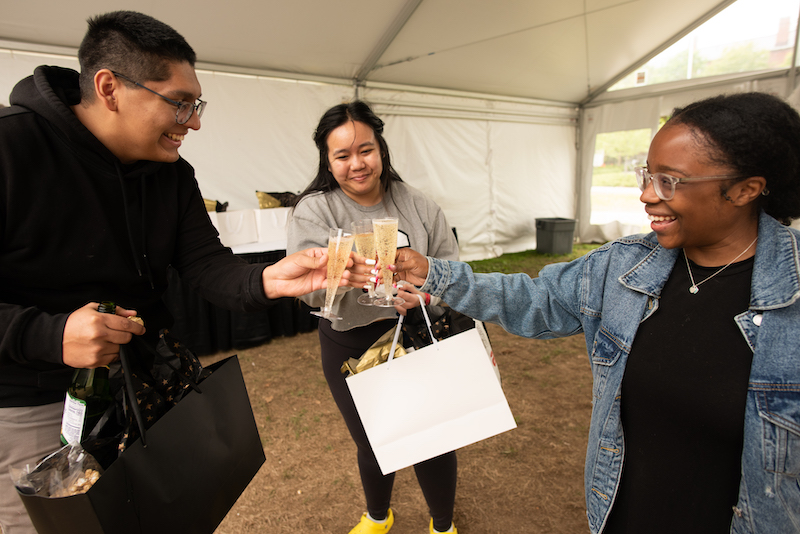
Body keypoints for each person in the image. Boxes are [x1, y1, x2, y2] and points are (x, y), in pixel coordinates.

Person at [0, 11, 349, 534]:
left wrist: (268, 279)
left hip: (143, 389)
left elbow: (204, 265)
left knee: (157, 515)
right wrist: (52, 335)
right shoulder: (11, 150)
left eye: (196, 104)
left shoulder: (173, 174)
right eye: (180, 103)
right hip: (34, 403)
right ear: (109, 87)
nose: (195, 121)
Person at [388, 92, 800, 533]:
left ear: (745, 189)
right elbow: (537, 299)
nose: (646, 195)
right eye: (647, 175)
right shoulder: (623, 265)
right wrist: (431, 271)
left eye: (669, 181)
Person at [287, 100, 461, 534]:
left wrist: (424, 295)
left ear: (381, 149)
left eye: (365, 150)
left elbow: (452, 270)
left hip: (419, 334)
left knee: (432, 438)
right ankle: (378, 517)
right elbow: (308, 295)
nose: (356, 164)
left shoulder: (419, 205)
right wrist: (342, 277)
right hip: (350, 341)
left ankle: (443, 525)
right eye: (342, 155)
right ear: (328, 162)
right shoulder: (314, 211)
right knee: (372, 439)